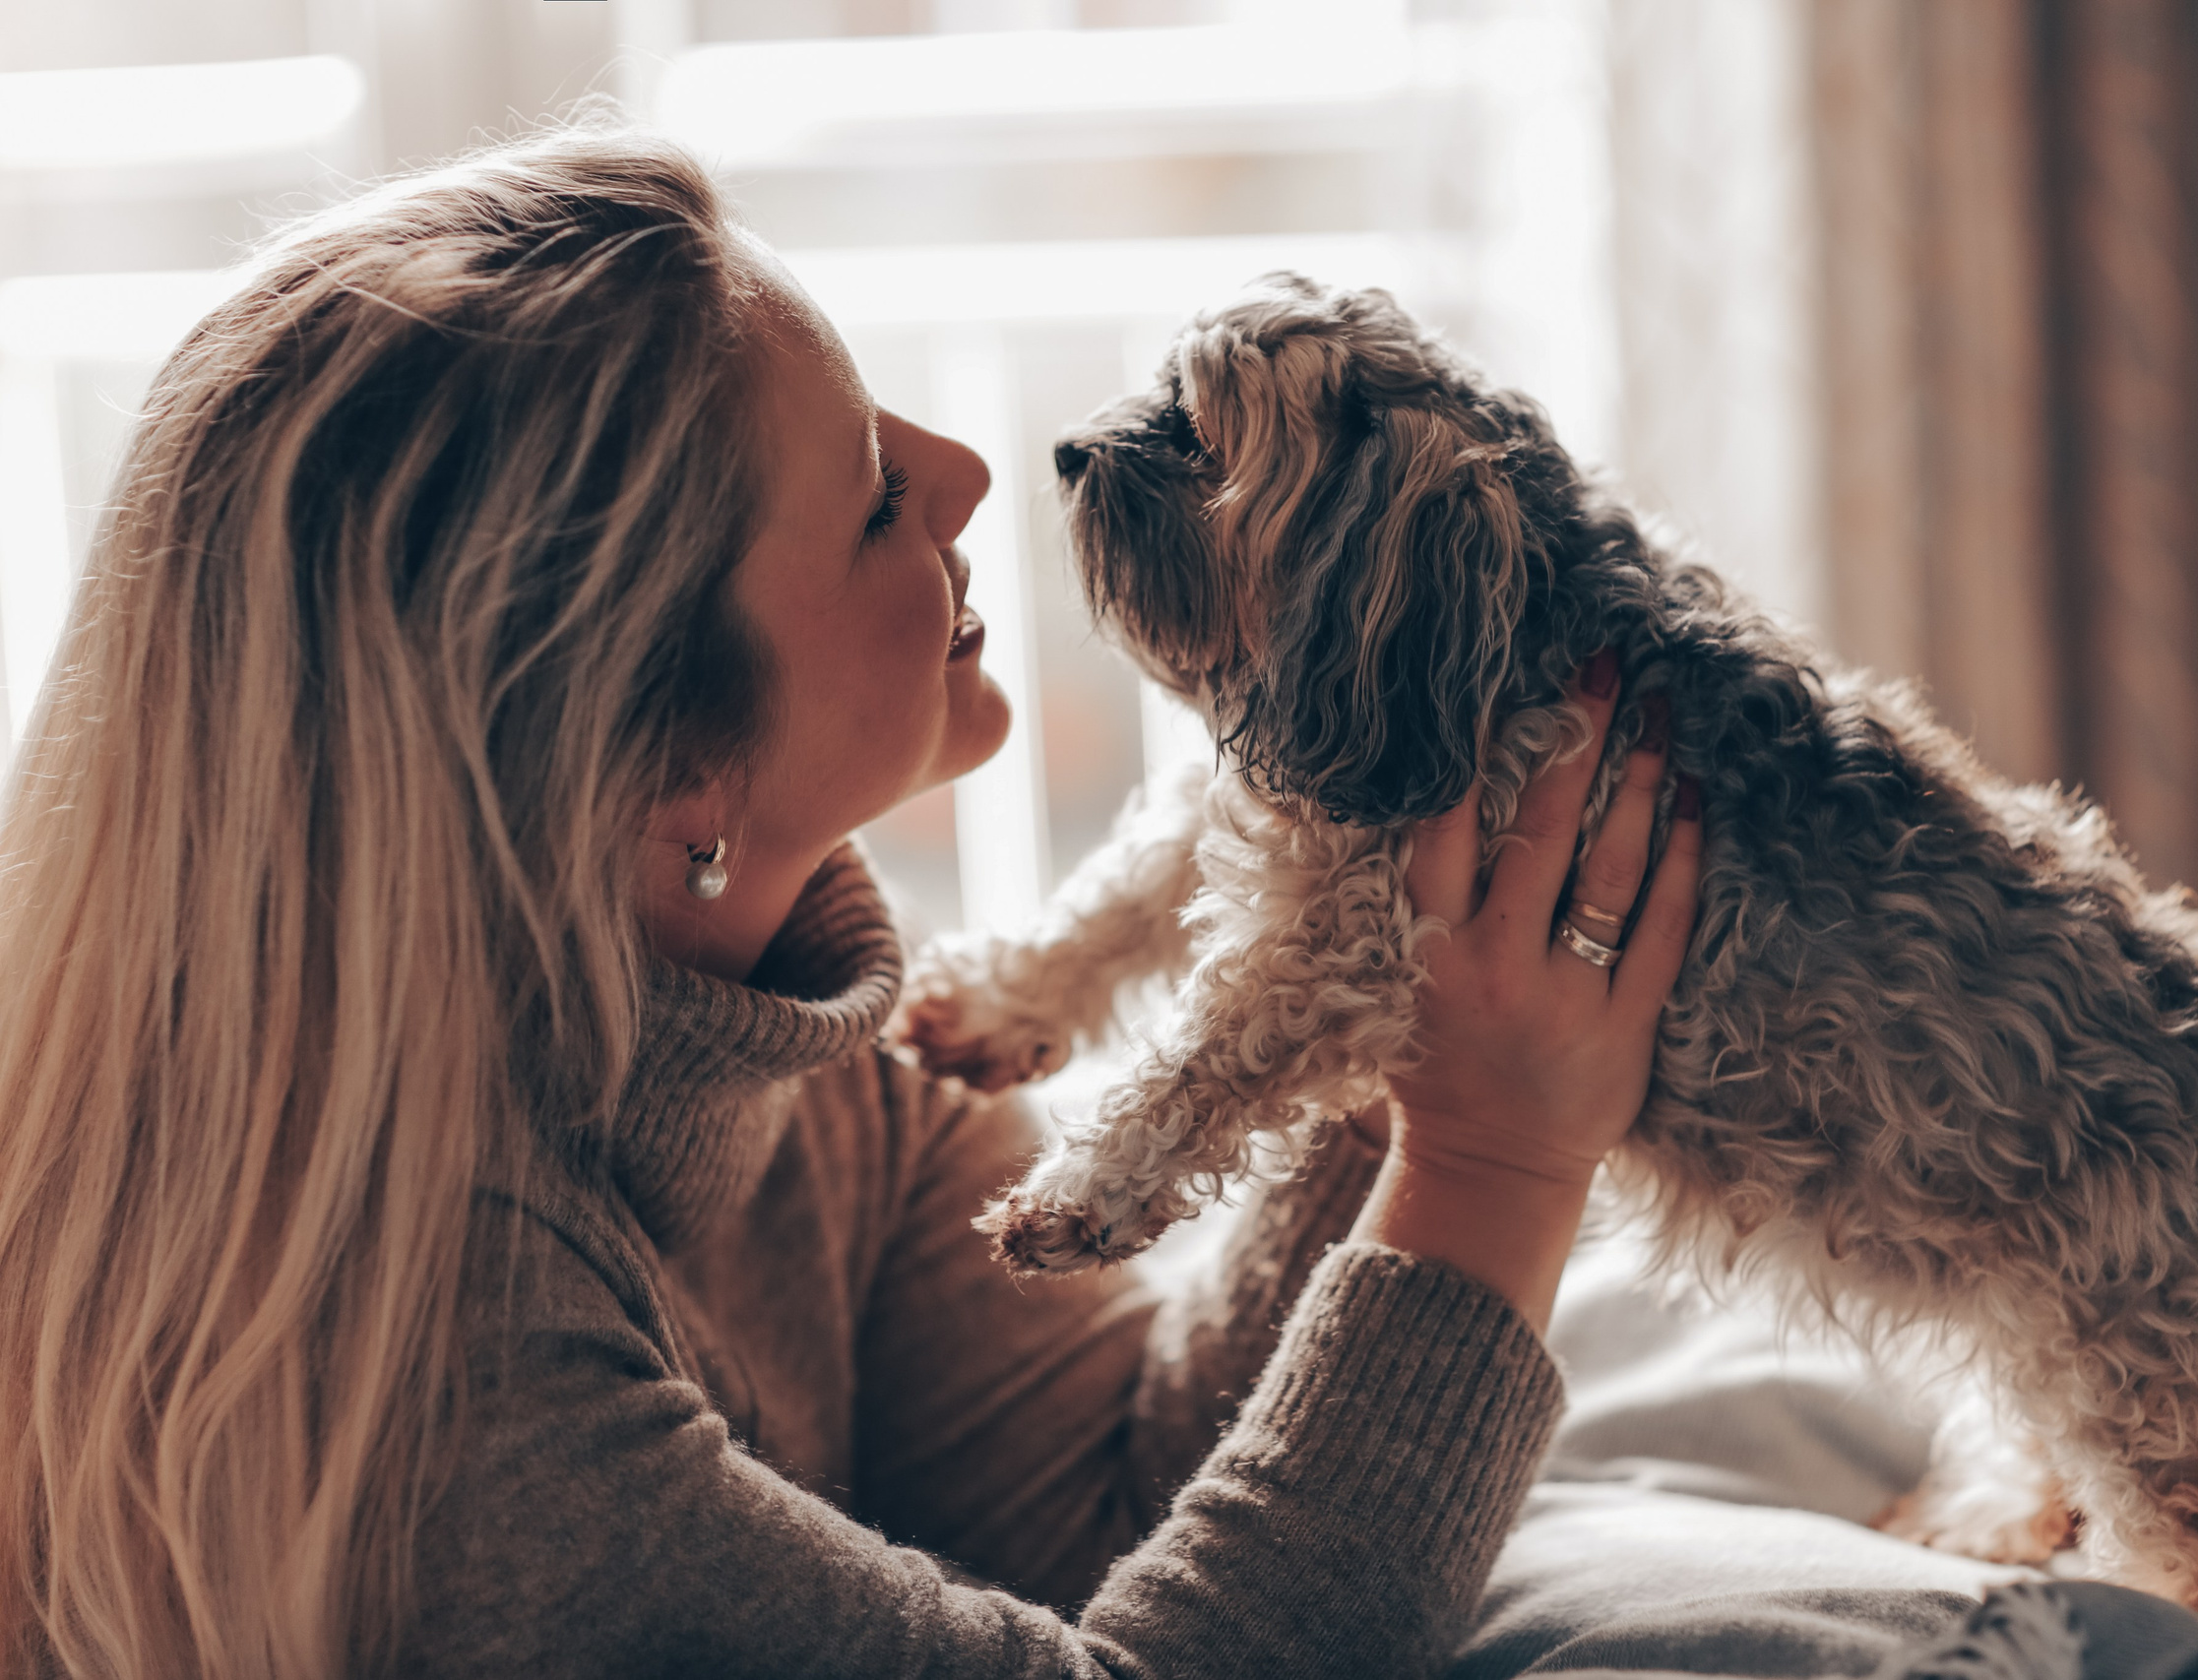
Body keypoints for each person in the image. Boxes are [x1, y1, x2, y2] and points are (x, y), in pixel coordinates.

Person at [0, 125, 1700, 1680]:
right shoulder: (427, 1362)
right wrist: (1496, 1167)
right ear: (665, 776)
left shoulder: (787, 1037)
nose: (968, 471)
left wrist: (1392, 1022)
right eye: (878, 496)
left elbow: (1109, 1509)